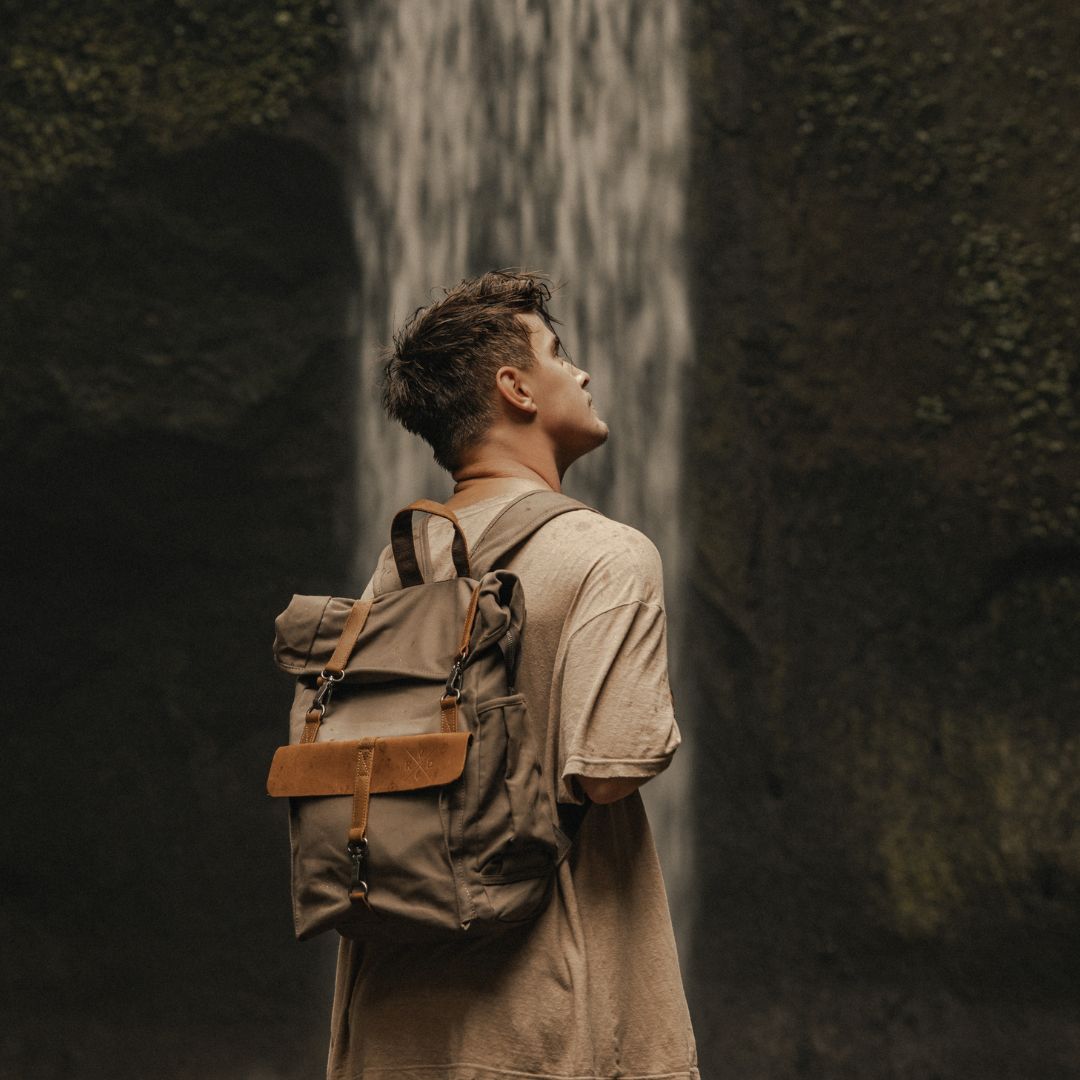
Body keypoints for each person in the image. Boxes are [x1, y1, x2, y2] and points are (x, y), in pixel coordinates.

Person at [327, 270, 698, 1080]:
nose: (584, 372)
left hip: (391, 1012)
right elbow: (609, 767)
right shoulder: (609, 554)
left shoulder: (393, 572)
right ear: (515, 387)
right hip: (548, 1017)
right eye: (560, 353)